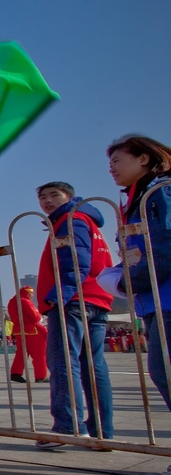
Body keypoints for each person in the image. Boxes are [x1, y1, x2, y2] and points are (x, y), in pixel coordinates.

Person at [35, 181, 114, 448]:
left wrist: (59, 297)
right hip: (96, 299)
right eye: (42, 197)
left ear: (69, 197)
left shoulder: (71, 220)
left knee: (63, 363)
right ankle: (101, 429)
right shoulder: (85, 220)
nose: (47, 201)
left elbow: (76, 262)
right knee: (94, 366)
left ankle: (68, 426)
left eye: (54, 195)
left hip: (74, 301)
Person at [107, 134, 171, 410]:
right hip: (153, 300)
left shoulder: (161, 193)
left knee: (164, 371)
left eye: (117, 160)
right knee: (162, 372)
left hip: (165, 294)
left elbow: (165, 245)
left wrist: (129, 281)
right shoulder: (137, 200)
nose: (111, 168)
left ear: (144, 159)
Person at [7, 285, 48, 383]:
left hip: (18, 330)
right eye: (31, 293)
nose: (32, 295)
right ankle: (40, 376)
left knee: (22, 352)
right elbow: (35, 317)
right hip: (31, 330)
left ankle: (15, 373)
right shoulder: (25, 301)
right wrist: (40, 316)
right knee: (39, 353)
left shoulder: (12, 302)